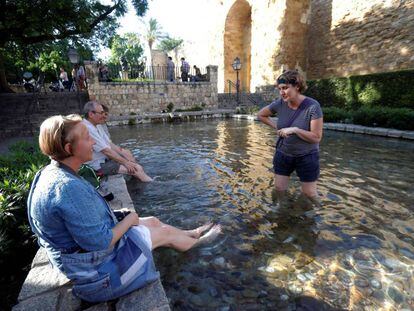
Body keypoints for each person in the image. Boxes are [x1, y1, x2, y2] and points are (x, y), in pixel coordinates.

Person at [27, 114, 222, 303]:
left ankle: (191, 234)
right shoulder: (67, 188)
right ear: (69, 148)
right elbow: (101, 242)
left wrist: (125, 217)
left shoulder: (52, 173)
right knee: (163, 234)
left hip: (81, 258)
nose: (93, 143)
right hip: (97, 276)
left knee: (153, 221)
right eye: (87, 139)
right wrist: (130, 218)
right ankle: (198, 243)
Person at [257, 70, 323, 199]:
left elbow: (316, 137)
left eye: (285, 88)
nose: (282, 92)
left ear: (297, 86)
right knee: (279, 190)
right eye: (280, 88)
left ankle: (312, 217)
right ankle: (281, 216)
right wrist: (278, 127)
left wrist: (295, 130)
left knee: (309, 194)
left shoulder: (313, 107)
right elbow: (261, 115)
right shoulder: (280, 104)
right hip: (283, 154)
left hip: (307, 157)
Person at [82, 101, 153, 182]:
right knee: (137, 169)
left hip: (104, 160)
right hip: (97, 166)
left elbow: (110, 144)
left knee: (128, 154)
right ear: (91, 114)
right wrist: (126, 162)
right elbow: (106, 151)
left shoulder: (96, 125)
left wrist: (124, 154)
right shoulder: (87, 129)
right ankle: (152, 184)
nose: (104, 115)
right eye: (101, 113)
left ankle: (138, 179)